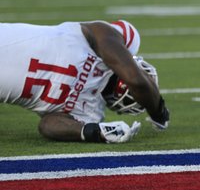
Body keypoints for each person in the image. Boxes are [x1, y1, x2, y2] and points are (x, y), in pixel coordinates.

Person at [0, 19, 170, 143]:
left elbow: (48, 125)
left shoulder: (92, 113)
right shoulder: (101, 36)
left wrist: (92, 132)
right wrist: (159, 112)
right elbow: (137, 82)